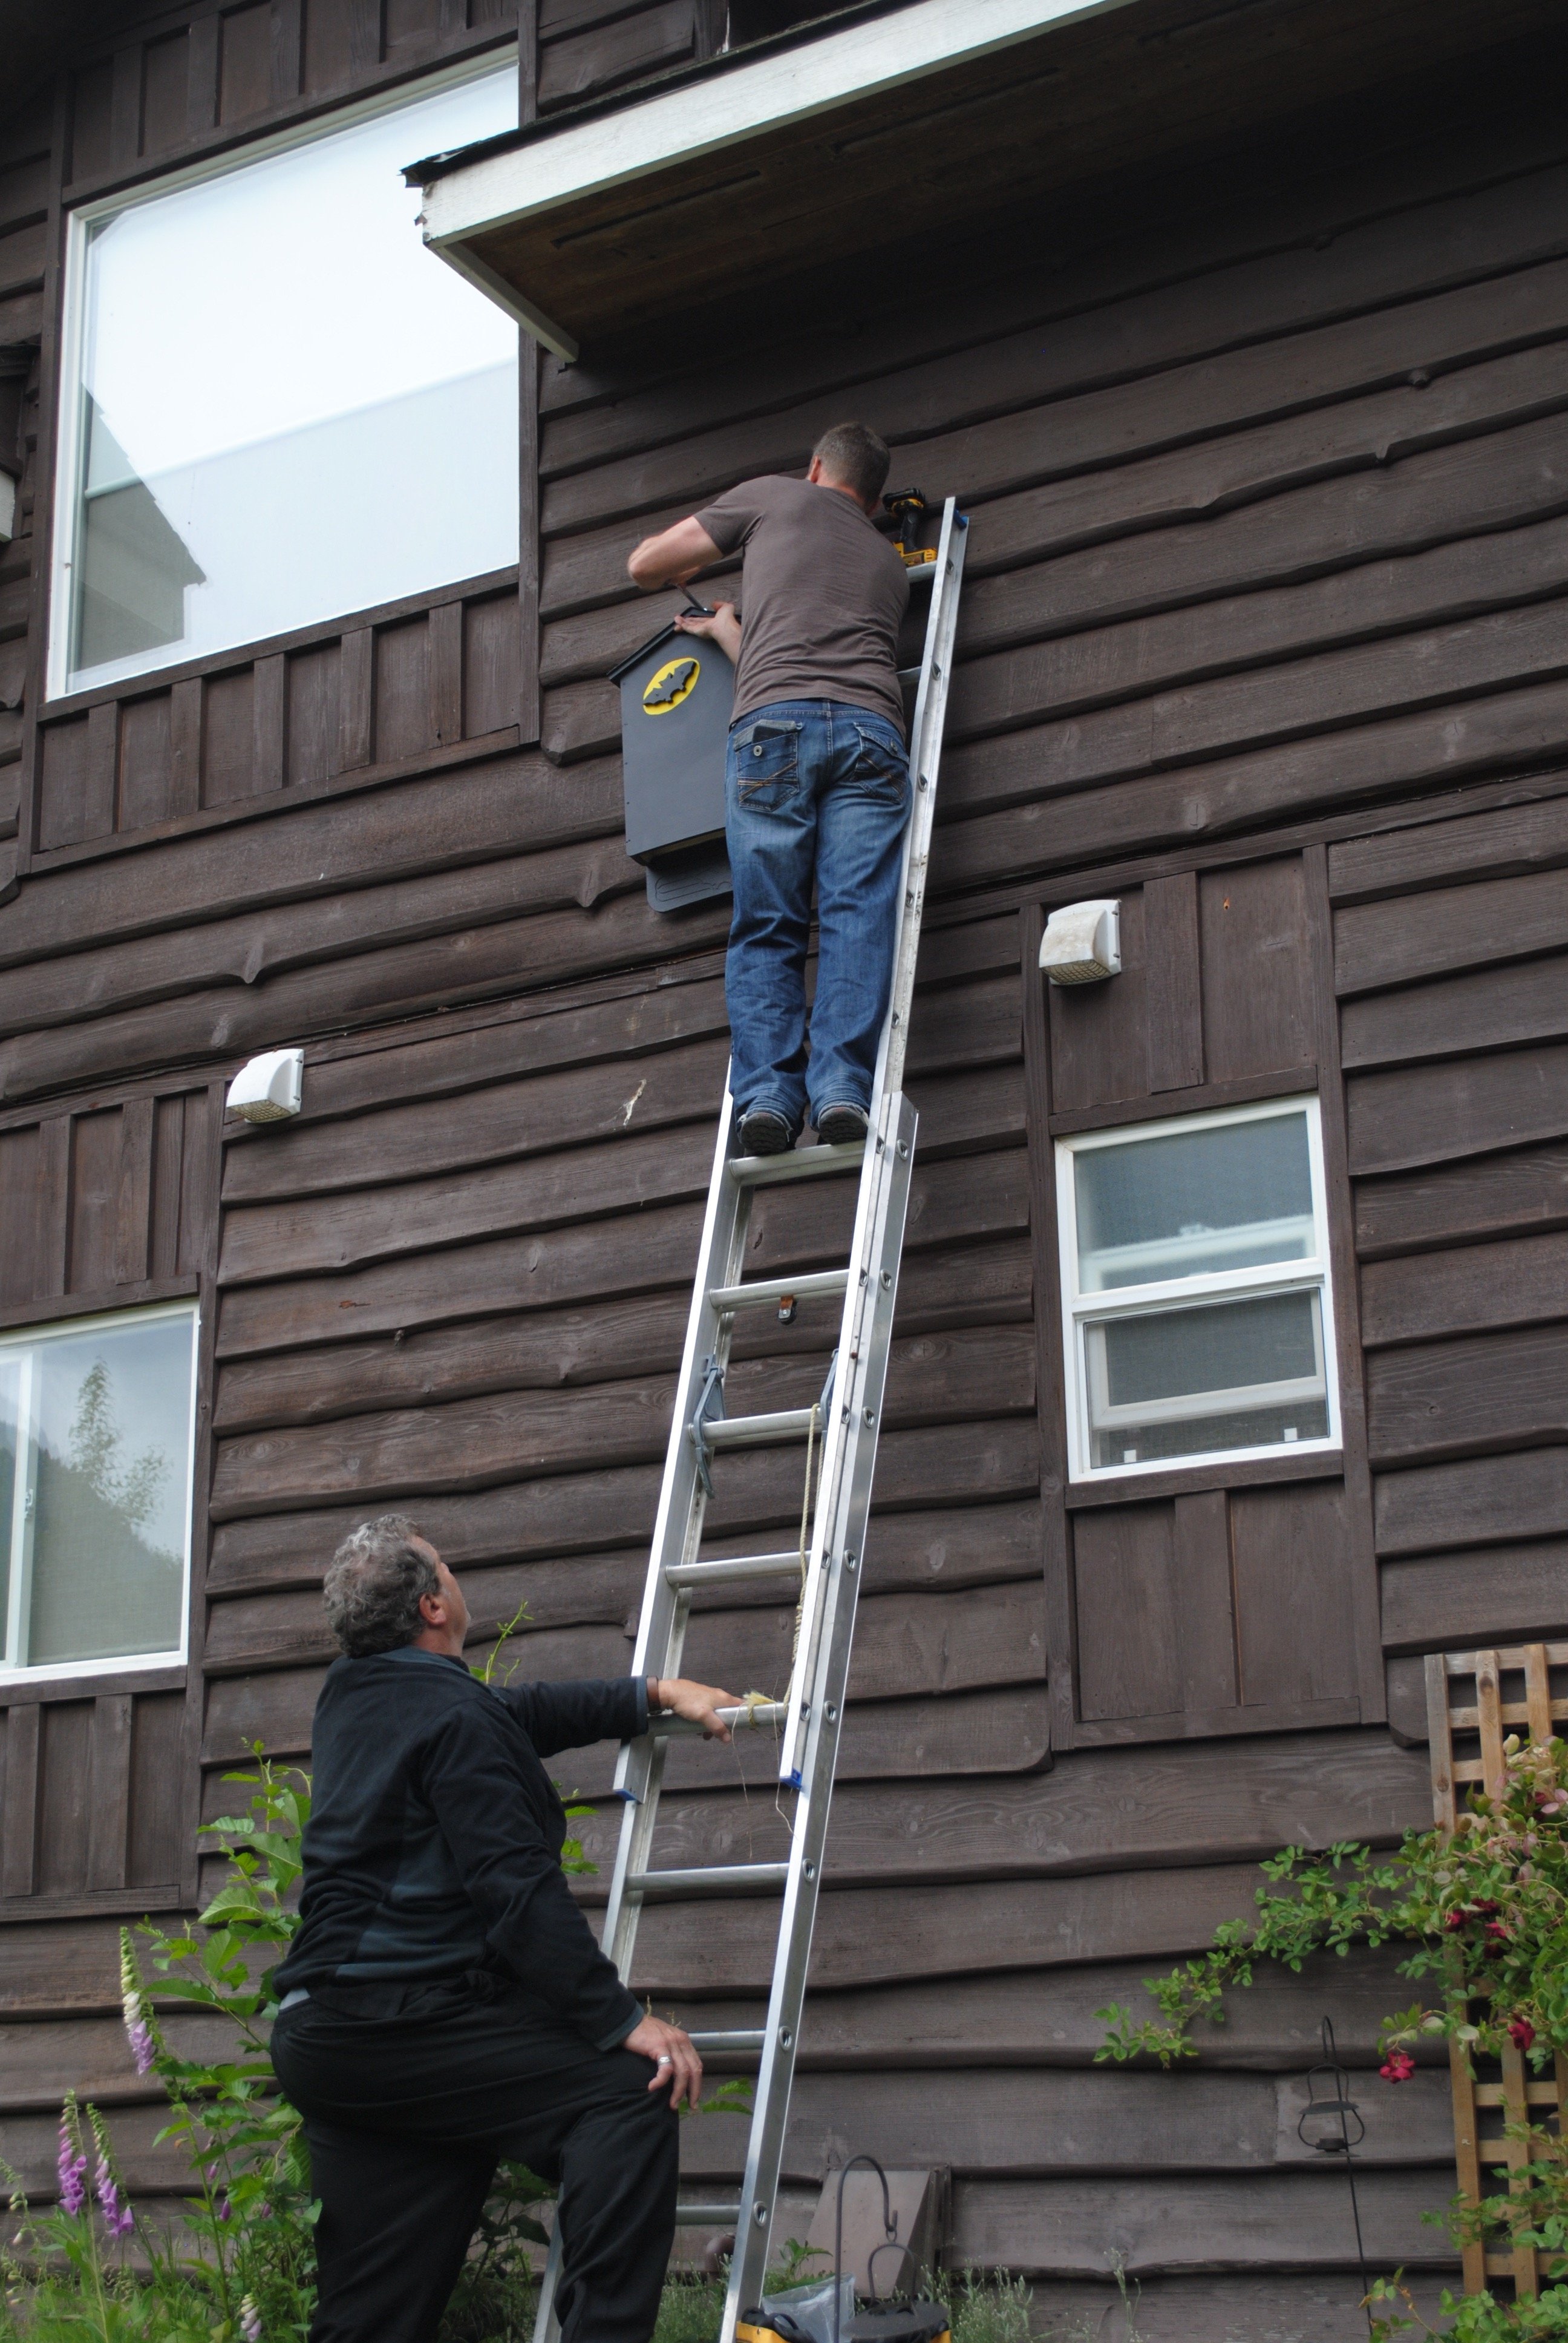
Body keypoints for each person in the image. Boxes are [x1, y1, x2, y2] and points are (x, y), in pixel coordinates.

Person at [270, 1514, 739, 2343]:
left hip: (327, 2038)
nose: (454, 1575)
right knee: (629, 2099)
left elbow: (513, 1713)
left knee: (372, 2314)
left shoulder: (355, 1698)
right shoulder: (455, 1722)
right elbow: (516, 1891)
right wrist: (624, 2021)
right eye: (443, 1568)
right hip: (406, 2020)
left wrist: (655, 1694)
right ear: (432, 1610)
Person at [628, 421, 911, 1156]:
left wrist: (707, 592)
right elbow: (822, 643)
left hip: (774, 729)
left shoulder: (772, 498)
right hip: (871, 736)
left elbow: (645, 563)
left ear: (814, 465)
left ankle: (768, 1099)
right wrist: (732, 629)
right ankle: (843, 1086)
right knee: (856, 916)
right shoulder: (884, 560)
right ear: (875, 502)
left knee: (769, 921)